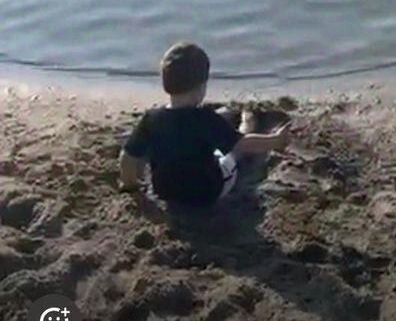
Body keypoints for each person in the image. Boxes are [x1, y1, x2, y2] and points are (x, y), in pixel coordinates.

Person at [119, 42, 290, 208]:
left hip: (165, 192)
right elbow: (244, 144)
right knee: (233, 151)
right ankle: (247, 122)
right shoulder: (205, 118)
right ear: (201, 88)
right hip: (208, 191)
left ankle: (227, 116)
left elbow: (127, 157)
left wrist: (131, 184)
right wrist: (275, 140)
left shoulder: (151, 119)